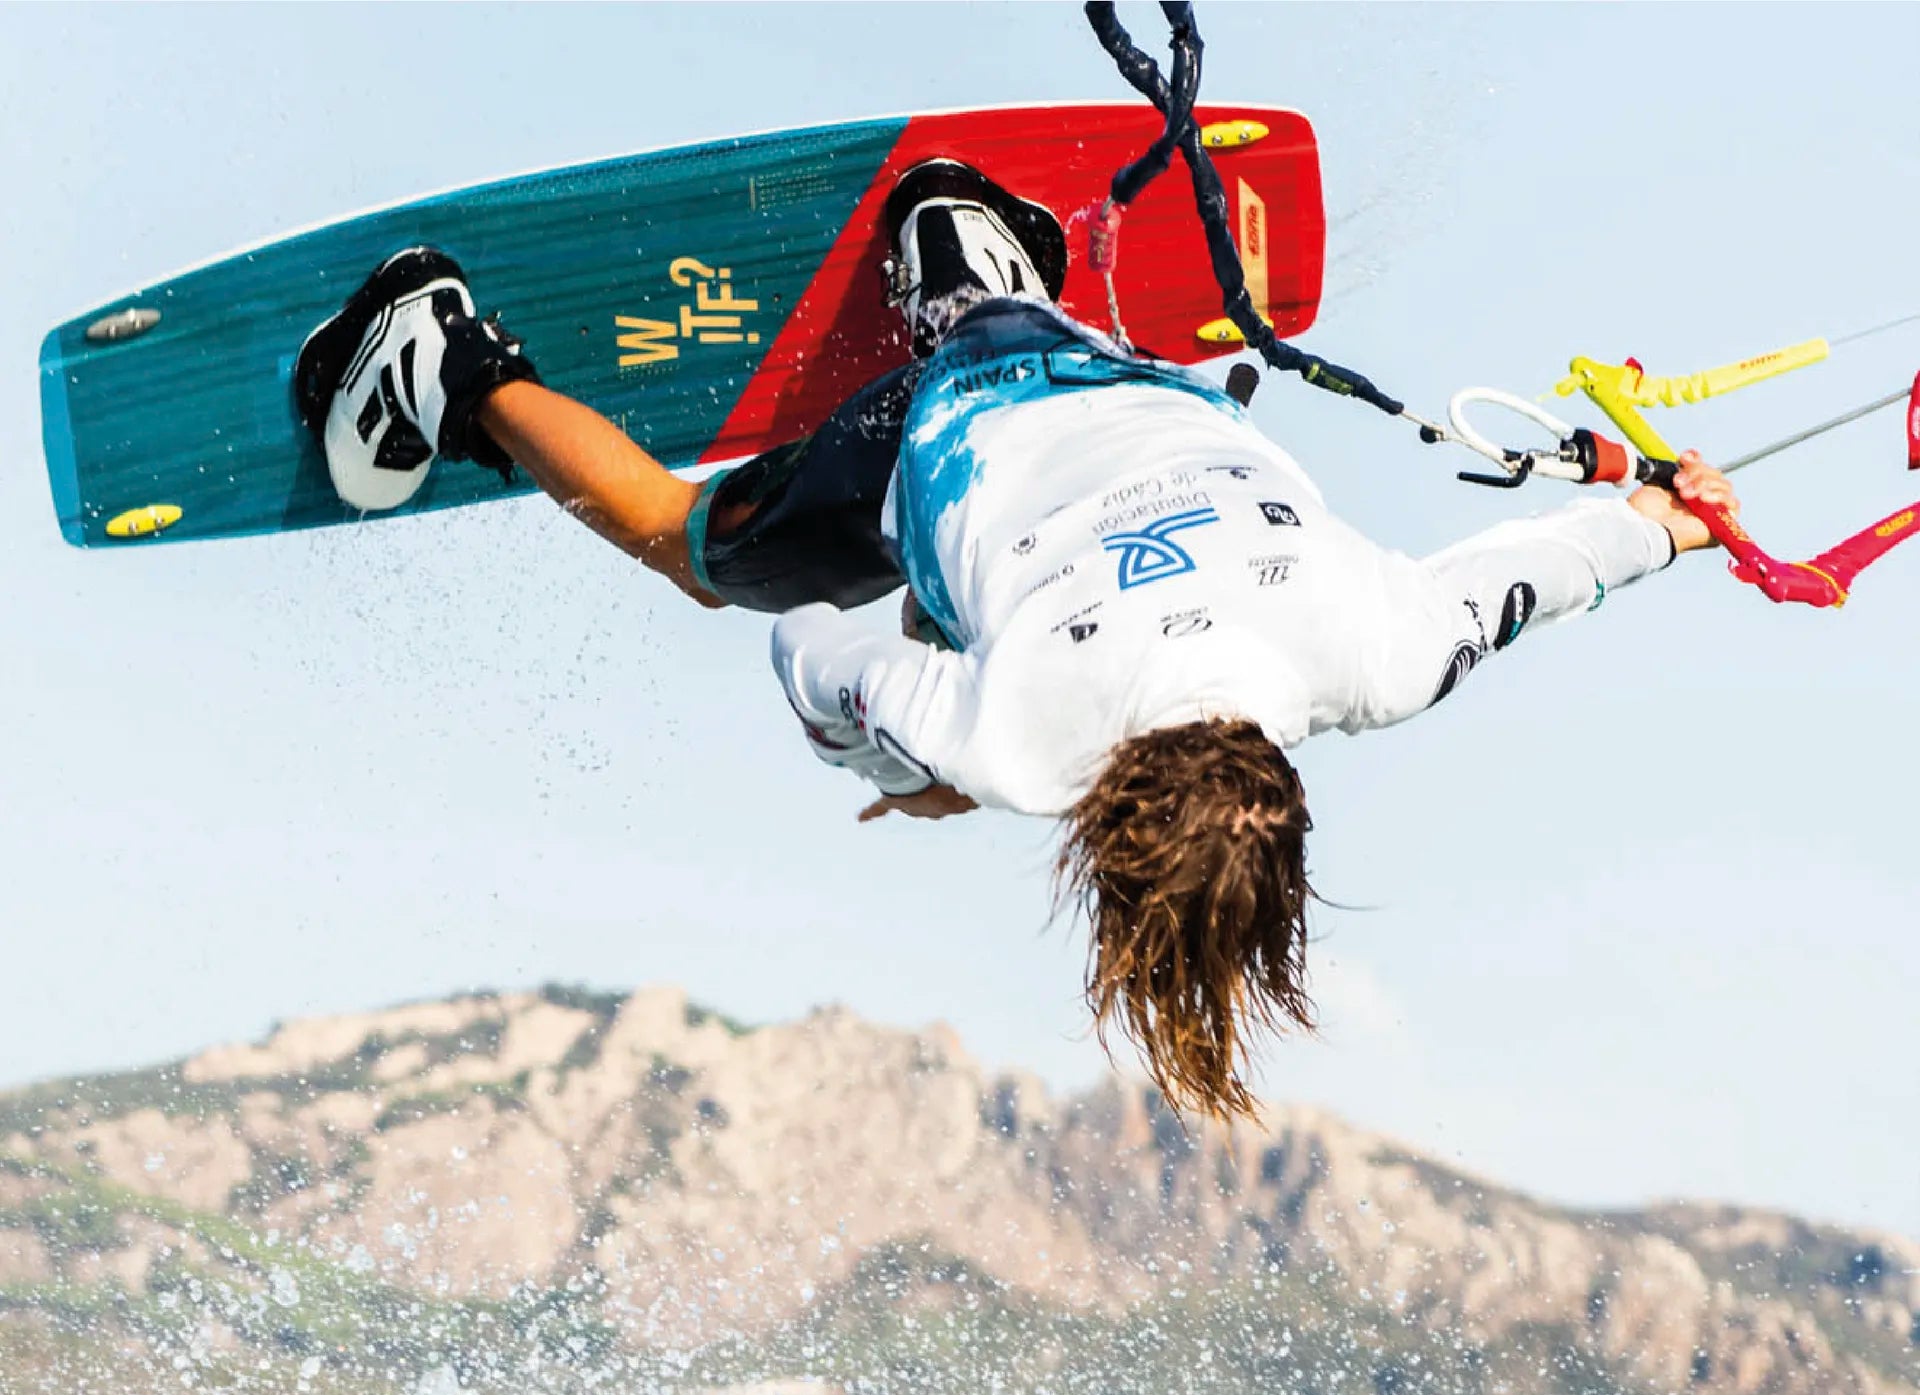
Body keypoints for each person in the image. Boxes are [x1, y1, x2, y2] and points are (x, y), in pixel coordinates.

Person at [293, 163, 1739, 1120]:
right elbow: (808, 649)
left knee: (983, 543)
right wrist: (905, 757)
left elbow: (1532, 576)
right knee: (688, 544)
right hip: (938, 440)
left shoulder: (1382, 652)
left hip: (1159, 397)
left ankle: (962, 257)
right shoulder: (1021, 746)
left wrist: (1669, 523)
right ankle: (443, 356)